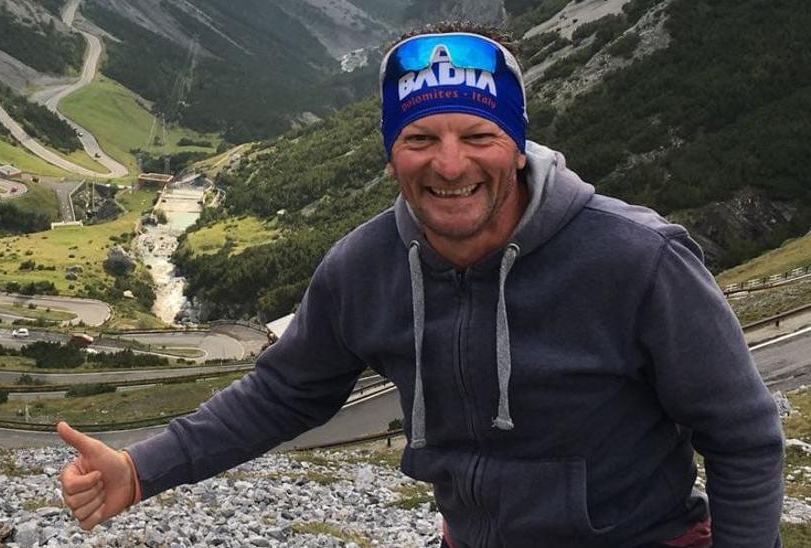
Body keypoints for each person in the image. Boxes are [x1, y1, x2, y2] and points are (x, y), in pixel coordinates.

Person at [56, 22, 784, 547]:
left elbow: (743, 436)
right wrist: (140, 469)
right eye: (419, 139)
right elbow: (282, 393)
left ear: (516, 144)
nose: (448, 164)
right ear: (390, 154)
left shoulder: (637, 259)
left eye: (477, 136)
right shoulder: (364, 266)